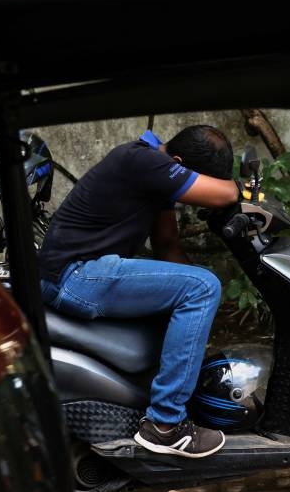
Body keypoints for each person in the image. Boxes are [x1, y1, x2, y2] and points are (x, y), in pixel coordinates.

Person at [38, 125, 239, 458]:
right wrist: (247, 189)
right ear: (177, 162)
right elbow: (226, 195)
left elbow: (166, 244)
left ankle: (157, 401)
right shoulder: (141, 161)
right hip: (75, 274)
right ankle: (165, 426)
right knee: (202, 287)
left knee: (201, 285)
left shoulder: (152, 171)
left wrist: (203, 296)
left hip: (81, 271)